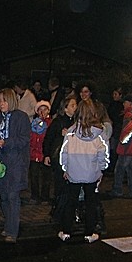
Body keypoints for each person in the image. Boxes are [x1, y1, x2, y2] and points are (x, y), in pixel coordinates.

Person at [59, 99, 110, 243]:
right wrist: (101, 169)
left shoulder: (71, 132)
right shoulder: (100, 134)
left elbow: (64, 153)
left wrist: (65, 168)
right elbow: (104, 154)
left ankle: (66, 231)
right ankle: (89, 233)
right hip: (92, 174)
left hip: (74, 173)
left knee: (71, 202)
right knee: (91, 203)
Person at [0, 87, 31, 243]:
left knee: (12, 196)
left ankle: (13, 230)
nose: (1, 103)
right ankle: (8, 225)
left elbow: (24, 139)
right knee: (3, 195)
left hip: (16, 161)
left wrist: (6, 142)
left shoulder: (21, 117)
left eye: (4, 100)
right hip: (0, 161)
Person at [43, 93, 78, 228]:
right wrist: (46, 154)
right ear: (65, 108)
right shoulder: (58, 122)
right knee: (60, 185)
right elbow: (49, 139)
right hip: (59, 158)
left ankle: (68, 211)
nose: (75, 108)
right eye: (72, 105)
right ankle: (58, 211)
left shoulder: (76, 122)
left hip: (73, 158)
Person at [110, 94, 132, 199]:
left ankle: (117, 190)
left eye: (125, 102)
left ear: (130, 103)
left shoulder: (129, 115)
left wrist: (122, 142)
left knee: (120, 169)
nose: (123, 104)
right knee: (131, 169)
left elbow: (127, 130)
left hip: (127, 147)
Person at [28, 101, 53, 204]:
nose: (43, 112)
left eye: (45, 109)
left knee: (46, 176)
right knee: (34, 176)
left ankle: (45, 196)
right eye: (40, 110)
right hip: (34, 153)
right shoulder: (34, 123)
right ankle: (35, 195)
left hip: (45, 153)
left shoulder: (50, 123)